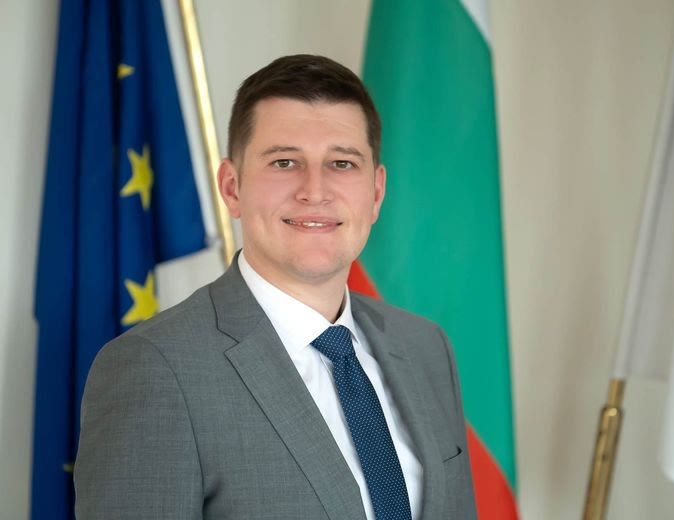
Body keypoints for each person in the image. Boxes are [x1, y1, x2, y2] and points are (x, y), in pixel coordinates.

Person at [74, 55, 476, 520]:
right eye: (285, 162)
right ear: (232, 187)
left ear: (376, 193)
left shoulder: (425, 347)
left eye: (342, 163)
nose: (315, 191)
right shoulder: (154, 369)